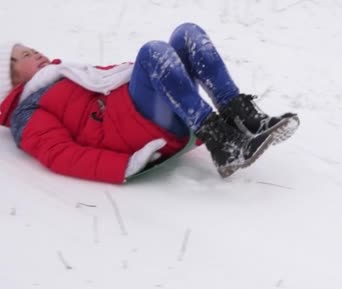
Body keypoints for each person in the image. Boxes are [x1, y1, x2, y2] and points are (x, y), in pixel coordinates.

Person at [0, 22, 299, 184]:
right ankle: (222, 142)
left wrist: (162, 72)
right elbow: (60, 154)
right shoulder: (27, 112)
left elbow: (120, 77)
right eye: (25, 56)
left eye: (33, 49)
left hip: (150, 111)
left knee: (187, 34)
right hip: (137, 133)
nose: (36, 54)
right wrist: (124, 166)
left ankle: (242, 119)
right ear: (10, 79)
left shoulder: (68, 73)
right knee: (153, 52)